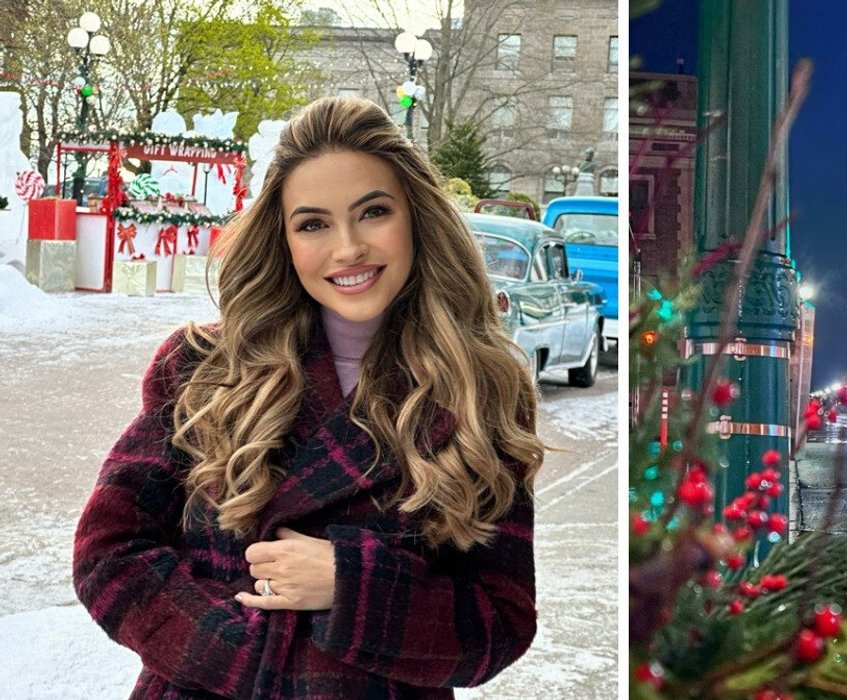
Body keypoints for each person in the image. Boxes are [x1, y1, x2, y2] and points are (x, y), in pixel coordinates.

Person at [72, 96, 543, 699]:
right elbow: (108, 551)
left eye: (373, 212)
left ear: (416, 218)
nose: (347, 249)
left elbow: (501, 621)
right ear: (285, 240)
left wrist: (352, 584)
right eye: (313, 223)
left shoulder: (482, 391)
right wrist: (245, 658)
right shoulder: (203, 368)